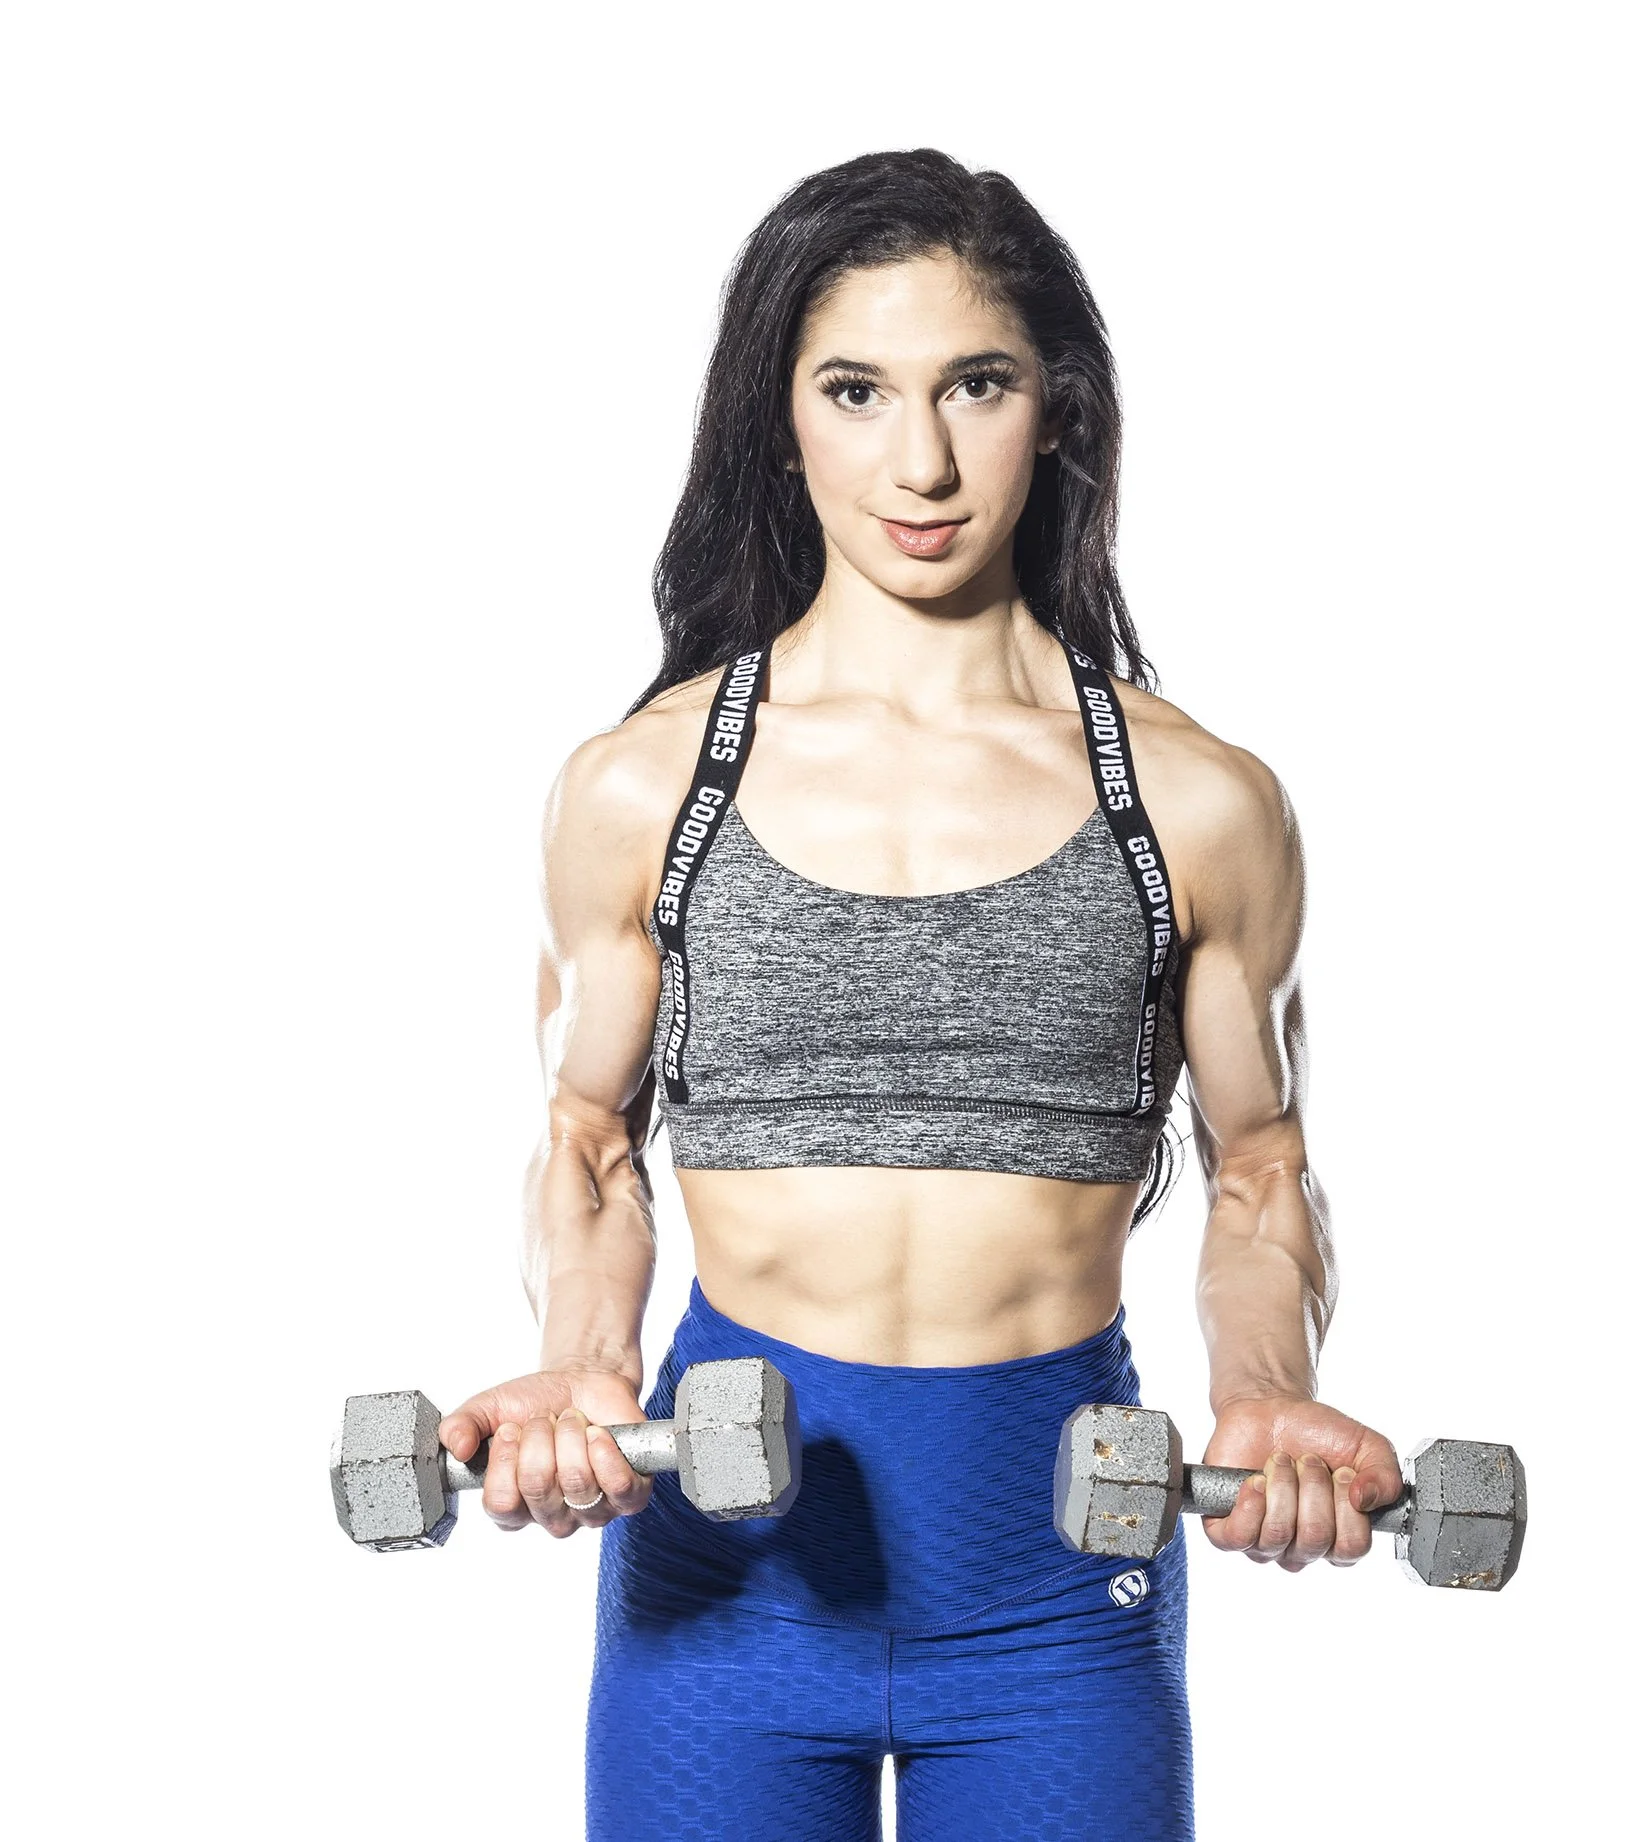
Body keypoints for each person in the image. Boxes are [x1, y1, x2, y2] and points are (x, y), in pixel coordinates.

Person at [438, 147, 1403, 1841]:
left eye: (977, 383)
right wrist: (581, 1363)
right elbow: (587, 1135)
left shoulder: (1195, 802)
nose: (923, 461)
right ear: (779, 419)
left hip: (1055, 1591)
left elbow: (1260, 1164)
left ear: (1058, 409)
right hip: (729, 1592)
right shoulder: (644, 786)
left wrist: (1262, 1385)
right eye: (855, 391)